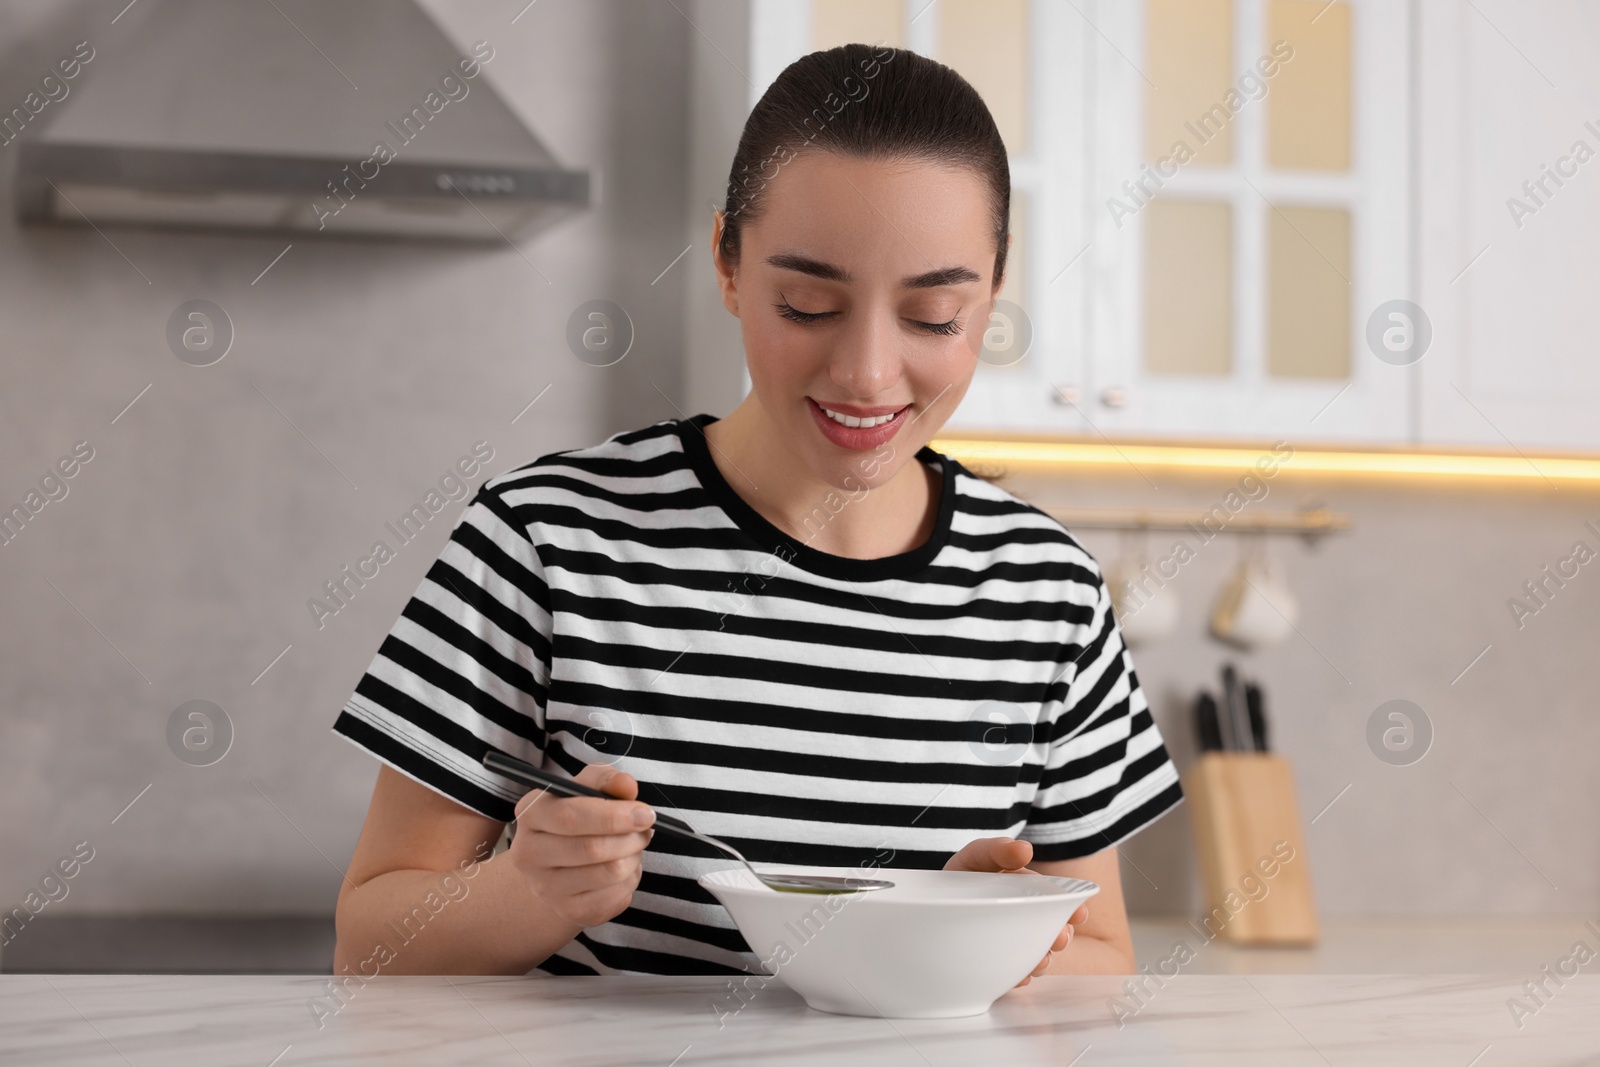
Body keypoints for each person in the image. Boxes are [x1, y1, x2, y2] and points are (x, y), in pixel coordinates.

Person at [331, 42, 1181, 983]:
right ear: (728, 265)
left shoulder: (1047, 591)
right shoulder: (542, 542)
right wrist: (527, 893)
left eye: (934, 314)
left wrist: (983, 946)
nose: (865, 373)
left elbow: (1105, 957)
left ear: (995, 287)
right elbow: (368, 942)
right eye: (807, 303)